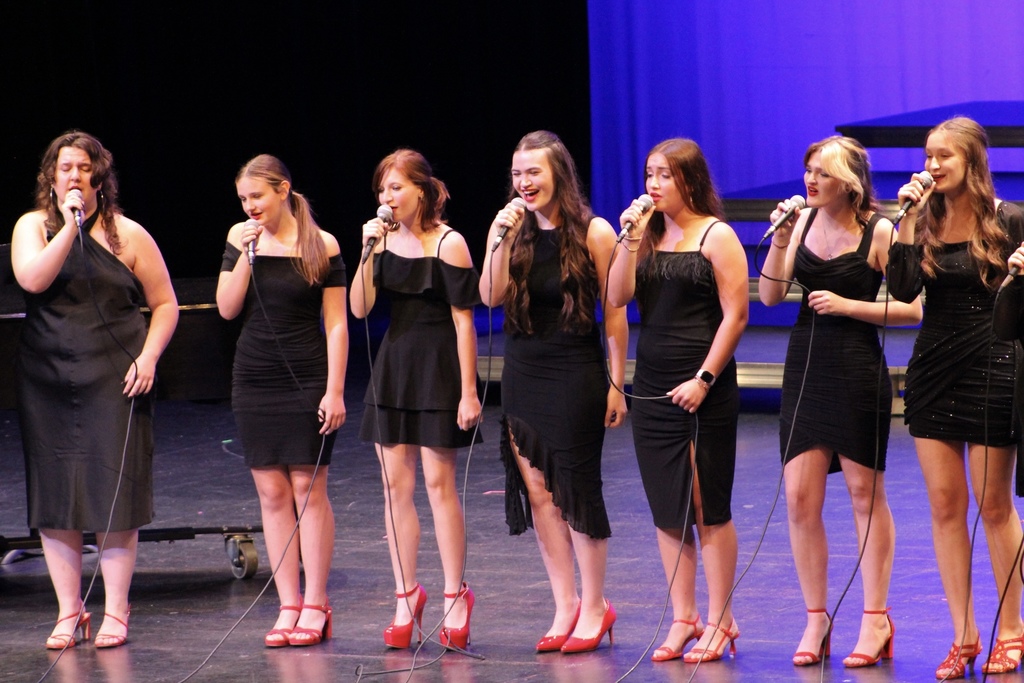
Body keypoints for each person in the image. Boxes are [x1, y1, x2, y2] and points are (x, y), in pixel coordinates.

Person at [758, 136, 922, 668]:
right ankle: (816, 616)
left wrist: (850, 305)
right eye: (807, 170)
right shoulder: (801, 222)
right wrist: (782, 239)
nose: (810, 180)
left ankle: (875, 619)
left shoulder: (878, 231)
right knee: (801, 497)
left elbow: (911, 308)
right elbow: (768, 295)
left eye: (822, 173)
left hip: (854, 364)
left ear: (848, 182)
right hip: (806, 361)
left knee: (862, 492)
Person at [11, 130, 179, 649]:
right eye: (65, 168)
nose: (75, 176)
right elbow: (33, 280)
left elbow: (166, 304)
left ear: (99, 177)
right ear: (51, 177)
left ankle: (116, 610)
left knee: (114, 493)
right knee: (56, 495)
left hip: (115, 379)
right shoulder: (33, 227)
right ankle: (69, 612)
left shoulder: (130, 235)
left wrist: (149, 357)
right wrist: (69, 227)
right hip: (48, 379)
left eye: (84, 168)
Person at [479, 130, 628, 654]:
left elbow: (614, 314)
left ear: (558, 174)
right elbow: (489, 295)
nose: (524, 183)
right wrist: (495, 238)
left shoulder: (594, 232)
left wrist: (616, 383)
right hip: (523, 371)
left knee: (575, 489)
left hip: (574, 370)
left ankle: (595, 605)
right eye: (517, 174)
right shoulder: (513, 230)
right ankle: (565, 604)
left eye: (533, 172)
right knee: (539, 492)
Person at [889, 117, 1024, 678]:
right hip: (933, 372)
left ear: (973, 161)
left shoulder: (1009, 220)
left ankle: (1013, 630)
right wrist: (904, 223)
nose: (934, 166)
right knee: (945, 509)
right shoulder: (921, 222)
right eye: (928, 156)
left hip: (993, 367)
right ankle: (963, 633)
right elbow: (901, 290)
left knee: (994, 507)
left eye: (945, 156)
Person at [607, 138, 748, 663]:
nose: (653, 185)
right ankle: (684, 617)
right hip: (654, 383)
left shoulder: (717, 235)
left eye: (664, 175)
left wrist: (705, 379)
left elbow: (736, 315)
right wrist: (628, 238)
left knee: (707, 504)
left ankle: (720, 618)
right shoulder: (644, 237)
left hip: (701, 387)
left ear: (689, 179)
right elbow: (617, 296)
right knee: (668, 507)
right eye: (649, 175)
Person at [350, 149, 481, 650]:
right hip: (394, 366)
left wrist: (469, 392)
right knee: (393, 485)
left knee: (437, 482)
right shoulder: (379, 243)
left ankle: (454, 594)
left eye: (396, 188)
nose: (388, 198)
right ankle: (406, 594)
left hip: (438, 369)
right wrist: (366, 251)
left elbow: (464, 321)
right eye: (382, 190)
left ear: (421, 191)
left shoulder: (448, 243)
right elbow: (360, 307)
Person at [216, 154, 348, 647]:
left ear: (283, 190)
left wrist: (334, 389)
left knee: (308, 490)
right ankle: (288, 603)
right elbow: (228, 309)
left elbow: (336, 323)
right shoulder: (239, 237)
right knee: (272, 495)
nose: (250, 206)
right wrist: (245, 259)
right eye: (243, 199)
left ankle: (316, 602)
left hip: (306, 375)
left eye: (257, 196)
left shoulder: (321, 244)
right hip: (254, 376)